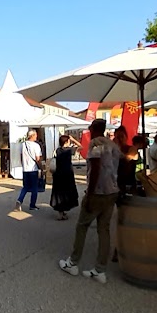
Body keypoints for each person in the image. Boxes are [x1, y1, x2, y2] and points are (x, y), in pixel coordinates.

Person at [59, 119, 121, 284]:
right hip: (112, 191)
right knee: (104, 230)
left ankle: (73, 262)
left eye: (90, 128)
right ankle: (100, 270)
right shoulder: (113, 144)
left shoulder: (95, 143)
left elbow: (95, 167)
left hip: (98, 192)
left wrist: (90, 193)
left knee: (82, 226)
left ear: (94, 129)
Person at [50, 135, 80, 220]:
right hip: (67, 174)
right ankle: (64, 211)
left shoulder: (57, 150)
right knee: (67, 192)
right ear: (66, 142)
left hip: (58, 174)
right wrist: (74, 139)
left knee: (59, 192)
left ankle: (61, 212)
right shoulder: (69, 150)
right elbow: (81, 146)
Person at [15, 130, 43, 212]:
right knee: (34, 187)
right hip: (33, 169)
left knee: (26, 187)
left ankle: (20, 200)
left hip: (25, 169)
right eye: (36, 135)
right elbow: (38, 158)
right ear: (33, 136)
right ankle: (32, 205)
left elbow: (21, 156)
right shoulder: (36, 145)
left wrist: (23, 164)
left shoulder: (23, 144)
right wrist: (41, 167)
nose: (36, 136)